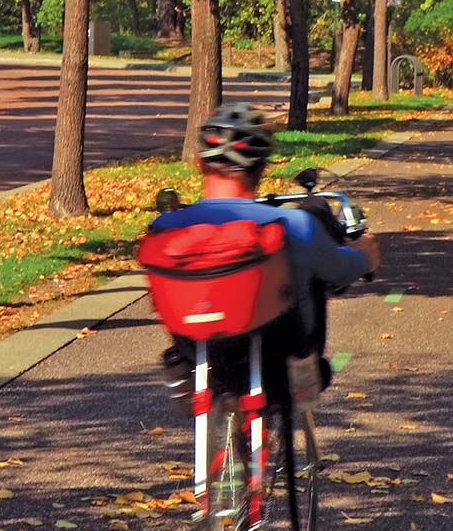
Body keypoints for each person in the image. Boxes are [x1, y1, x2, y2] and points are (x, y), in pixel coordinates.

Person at [150, 102, 381, 401]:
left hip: (196, 344)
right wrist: (365, 255)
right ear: (261, 168)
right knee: (310, 274)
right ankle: (306, 368)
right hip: (277, 347)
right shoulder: (294, 225)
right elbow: (340, 270)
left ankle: (180, 364)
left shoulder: (165, 227)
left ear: (200, 163)